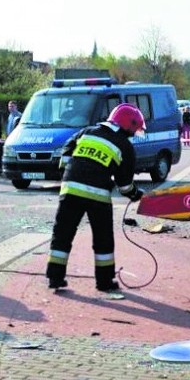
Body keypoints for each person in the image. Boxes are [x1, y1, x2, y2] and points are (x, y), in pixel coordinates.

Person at [45, 103, 143, 292]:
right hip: (97, 195)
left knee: (62, 235)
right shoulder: (125, 146)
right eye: (133, 130)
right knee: (103, 239)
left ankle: (54, 278)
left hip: (70, 189)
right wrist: (135, 194)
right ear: (127, 126)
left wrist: (68, 171)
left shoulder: (87, 131)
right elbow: (124, 185)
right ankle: (104, 282)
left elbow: (66, 150)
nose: (133, 134)